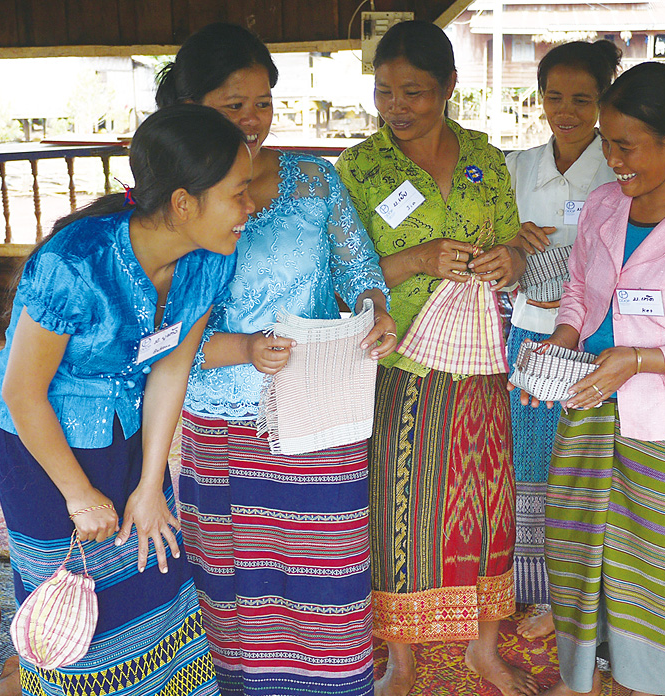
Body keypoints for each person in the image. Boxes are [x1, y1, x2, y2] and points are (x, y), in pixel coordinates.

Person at [156, 23, 395, 696]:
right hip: (222, 422)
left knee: (327, 570)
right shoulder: (179, 200)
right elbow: (162, 332)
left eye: (263, 102)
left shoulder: (313, 180)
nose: (254, 119)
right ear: (193, 104)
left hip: (317, 411)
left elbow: (358, 264)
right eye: (235, 104)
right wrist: (243, 351)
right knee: (236, 579)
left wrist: (376, 308)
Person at [0, 103, 255, 696]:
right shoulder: (75, 262)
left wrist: (150, 485)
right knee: (75, 601)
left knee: (153, 561)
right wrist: (79, 496)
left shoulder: (208, 263)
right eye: (239, 193)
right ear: (184, 203)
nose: (250, 207)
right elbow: (22, 391)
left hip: (127, 426)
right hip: (40, 442)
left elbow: (169, 371)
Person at [516, 62, 665, 696]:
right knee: (578, 547)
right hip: (590, 403)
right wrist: (556, 350)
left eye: (626, 146)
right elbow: (576, 296)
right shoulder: (603, 205)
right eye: (608, 142)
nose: (612, 159)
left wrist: (637, 360)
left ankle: (644, 685)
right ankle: (584, 675)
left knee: (652, 568)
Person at [337, 20, 537, 696]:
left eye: (414, 93)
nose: (396, 107)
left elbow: (511, 242)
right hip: (400, 363)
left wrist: (508, 259)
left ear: (450, 87)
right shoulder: (360, 168)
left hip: (478, 360)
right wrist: (419, 260)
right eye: (385, 92)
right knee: (401, 507)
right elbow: (341, 276)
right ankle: (403, 660)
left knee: (485, 505)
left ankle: (482, 650)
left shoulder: (484, 156)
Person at [504, 40, 621, 641]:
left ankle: (575, 592)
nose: (566, 110)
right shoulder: (517, 168)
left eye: (583, 98)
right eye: (554, 97)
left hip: (597, 339)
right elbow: (491, 249)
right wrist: (513, 241)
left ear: (604, 101)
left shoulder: (619, 169)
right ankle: (532, 588)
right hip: (527, 332)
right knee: (529, 461)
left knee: (578, 462)